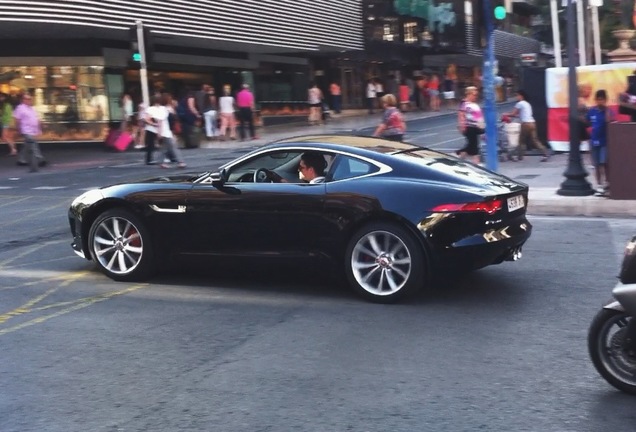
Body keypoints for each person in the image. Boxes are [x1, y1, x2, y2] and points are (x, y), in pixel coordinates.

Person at [505, 90, 551, 162]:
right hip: (532, 123)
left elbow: (513, 114)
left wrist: (505, 114)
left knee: (521, 141)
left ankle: (519, 157)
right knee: (535, 140)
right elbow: (522, 115)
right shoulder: (527, 104)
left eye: (517, 95)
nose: (516, 97)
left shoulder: (519, 103)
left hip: (526, 124)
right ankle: (545, 153)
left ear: (521, 96)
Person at [585, 89, 615, 196]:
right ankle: (599, 185)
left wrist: (607, 113)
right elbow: (587, 123)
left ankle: (608, 182)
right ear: (596, 100)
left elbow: (611, 122)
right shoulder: (591, 111)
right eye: (598, 100)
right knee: (596, 165)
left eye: (602, 100)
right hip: (594, 142)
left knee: (605, 163)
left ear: (605, 100)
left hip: (605, 142)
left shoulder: (609, 111)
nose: (600, 102)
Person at [14, 93, 46, 172]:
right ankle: (40, 158)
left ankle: (21, 159)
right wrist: (18, 129)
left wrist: (41, 125)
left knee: (27, 145)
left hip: (33, 130)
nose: (29, 101)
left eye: (30, 99)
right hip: (26, 129)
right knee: (33, 143)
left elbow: (36, 118)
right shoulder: (20, 108)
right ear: (23, 100)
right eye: (27, 99)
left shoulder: (32, 108)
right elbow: (17, 119)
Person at [456, 86, 484, 165]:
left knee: (471, 145)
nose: (476, 97)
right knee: (474, 145)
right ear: (469, 94)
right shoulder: (464, 103)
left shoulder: (473, 104)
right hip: (469, 126)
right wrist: (462, 126)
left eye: (476, 95)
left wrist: (481, 125)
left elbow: (478, 116)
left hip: (476, 126)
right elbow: (461, 115)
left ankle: (460, 156)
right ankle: (476, 163)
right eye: (474, 95)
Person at [158, 93, 186, 169]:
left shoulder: (165, 108)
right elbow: (161, 121)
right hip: (166, 131)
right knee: (173, 147)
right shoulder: (165, 109)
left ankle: (162, 162)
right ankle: (180, 161)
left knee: (165, 148)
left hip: (166, 130)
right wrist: (160, 132)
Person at [143, 95, 163, 165]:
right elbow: (146, 119)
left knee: (152, 145)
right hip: (152, 129)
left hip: (153, 129)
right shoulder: (151, 109)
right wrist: (154, 124)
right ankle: (149, 160)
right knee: (151, 145)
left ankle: (149, 159)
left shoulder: (156, 109)